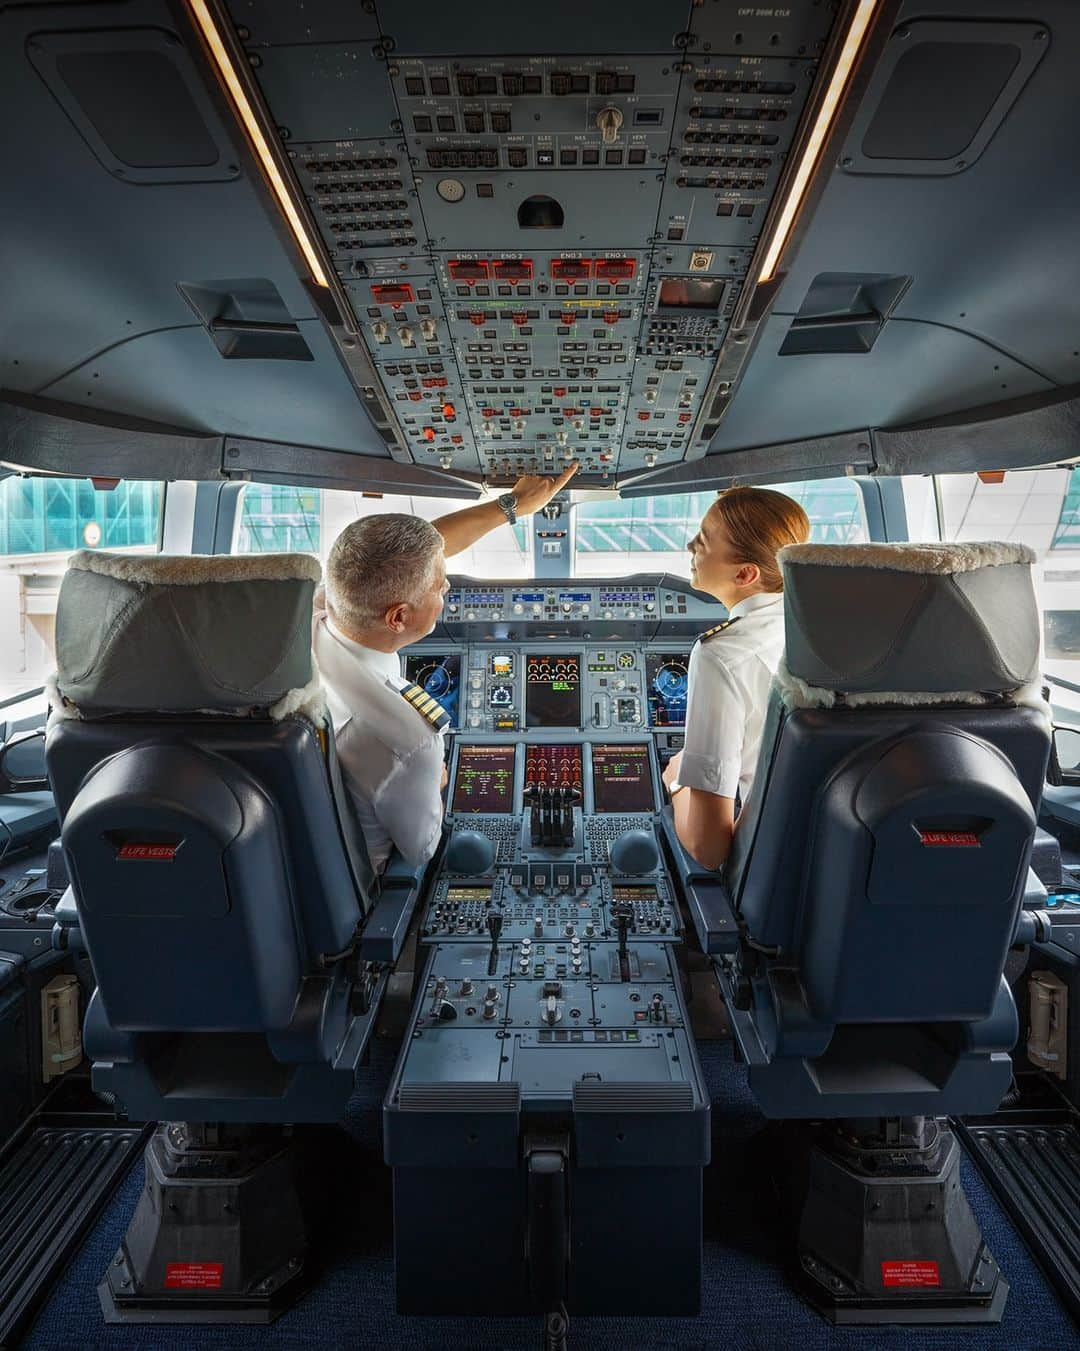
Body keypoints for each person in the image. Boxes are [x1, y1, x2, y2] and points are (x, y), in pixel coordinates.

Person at [314, 467, 578, 872]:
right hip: (368, 883)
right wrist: (436, 781)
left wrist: (510, 507)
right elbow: (423, 849)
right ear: (398, 617)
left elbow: (407, 557)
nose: (448, 588)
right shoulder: (410, 742)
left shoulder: (318, 611)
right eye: (439, 586)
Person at [662, 486, 810, 871]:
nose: (690, 545)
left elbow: (708, 849)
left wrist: (677, 781)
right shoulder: (817, 627)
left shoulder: (720, 654)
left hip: (772, 875)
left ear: (745, 574)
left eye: (704, 542)